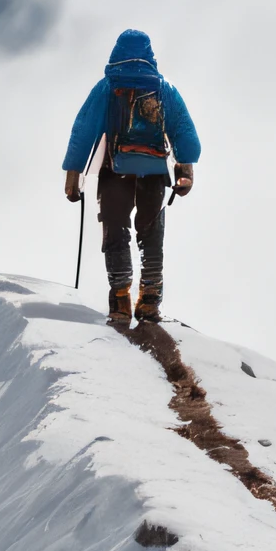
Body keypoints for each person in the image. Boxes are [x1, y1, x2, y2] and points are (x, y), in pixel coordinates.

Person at [63, 26, 199, 327]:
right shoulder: (164, 88)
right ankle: (149, 301)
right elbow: (184, 131)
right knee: (151, 236)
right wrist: (186, 167)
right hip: (154, 173)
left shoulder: (108, 87)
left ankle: (120, 300)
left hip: (115, 172)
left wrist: (74, 173)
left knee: (116, 233)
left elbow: (84, 130)